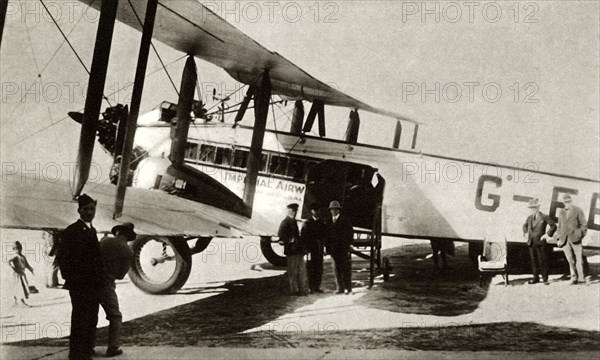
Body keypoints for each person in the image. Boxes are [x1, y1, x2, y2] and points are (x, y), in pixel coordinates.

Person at [56, 194, 104, 360]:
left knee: (91, 317)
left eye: (92, 209)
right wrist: (72, 278)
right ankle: (77, 353)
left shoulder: (91, 229)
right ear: (79, 211)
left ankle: (86, 349)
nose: (89, 212)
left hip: (92, 284)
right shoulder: (73, 230)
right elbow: (63, 257)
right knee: (80, 318)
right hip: (80, 284)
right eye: (86, 209)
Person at [97, 223, 135, 358]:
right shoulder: (128, 251)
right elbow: (120, 275)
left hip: (89, 283)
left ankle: (87, 347)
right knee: (115, 316)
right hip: (106, 285)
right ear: (129, 236)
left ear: (117, 232)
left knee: (89, 316)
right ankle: (113, 348)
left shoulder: (104, 241)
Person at [554, 194, 588, 284]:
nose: (567, 203)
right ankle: (574, 277)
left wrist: (579, 234)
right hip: (565, 239)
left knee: (579, 259)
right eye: (565, 202)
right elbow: (559, 226)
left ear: (571, 201)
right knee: (570, 260)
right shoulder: (561, 212)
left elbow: (584, 224)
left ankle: (581, 278)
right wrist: (559, 239)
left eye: (568, 201)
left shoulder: (578, 210)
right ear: (563, 203)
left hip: (576, 238)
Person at [522, 198, 556, 285]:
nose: (533, 209)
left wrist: (547, 235)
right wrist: (525, 233)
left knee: (542, 261)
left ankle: (545, 279)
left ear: (538, 208)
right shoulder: (529, 218)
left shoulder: (544, 216)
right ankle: (535, 278)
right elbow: (524, 226)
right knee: (533, 261)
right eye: (531, 208)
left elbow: (553, 226)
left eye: (534, 207)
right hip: (531, 242)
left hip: (541, 243)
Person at [278, 203, 308, 296]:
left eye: (296, 210)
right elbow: (281, 236)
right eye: (293, 210)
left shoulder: (293, 221)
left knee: (300, 270)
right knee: (292, 272)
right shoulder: (285, 222)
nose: (295, 212)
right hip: (291, 251)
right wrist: (290, 240)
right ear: (289, 211)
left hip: (297, 250)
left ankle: (302, 289)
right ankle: (294, 290)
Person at [325, 200, 354, 295]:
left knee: (345, 269)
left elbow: (350, 233)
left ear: (338, 210)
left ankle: (348, 288)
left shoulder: (345, 220)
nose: (333, 211)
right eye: (332, 210)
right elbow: (327, 237)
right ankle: (339, 288)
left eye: (335, 209)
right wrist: (327, 249)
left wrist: (350, 244)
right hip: (333, 250)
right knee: (336, 269)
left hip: (343, 249)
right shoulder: (329, 221)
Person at [301, 203, 326, 293]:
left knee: (319, 267)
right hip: (311, 249)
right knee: (311, 267)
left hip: (319, 249)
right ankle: (311, 287)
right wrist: (306, 250)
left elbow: (324, 236)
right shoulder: (307, 223)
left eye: (317, 210)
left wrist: (324, 247)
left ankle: (317, 286)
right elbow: (304, 237)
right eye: (314, 210)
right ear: (311, 211)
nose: (316, 212)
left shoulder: (322, 223)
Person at [8, 241, 34, 307]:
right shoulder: (15, 256)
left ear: (21, 248)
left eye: (19, 248)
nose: (18, 250)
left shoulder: (23, 256)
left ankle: (16, 301)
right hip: (17, 274)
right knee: (20, 287)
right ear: (13, 250)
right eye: (15, 249)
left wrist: (31, 269)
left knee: (22, 287)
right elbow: (8, 261)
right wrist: (12, 268)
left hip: (22, 274)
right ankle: (22, 302)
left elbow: (27, 265)